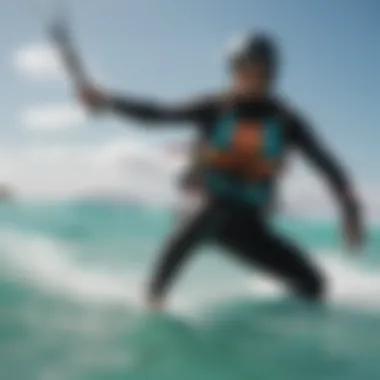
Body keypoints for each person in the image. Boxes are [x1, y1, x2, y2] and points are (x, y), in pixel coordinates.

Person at [78, 32, 363, 310]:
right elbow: (158, 114)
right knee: (215, 208)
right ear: (233, 71)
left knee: (314, 286)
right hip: (199, 209)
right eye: (244, 69)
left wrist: (350, 211)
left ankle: (265, 332)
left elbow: (328, 165)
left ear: (272, 74)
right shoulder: (213, 107)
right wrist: (109, 101)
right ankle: (153, 298)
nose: (252, 77)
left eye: (260, 70)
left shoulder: (287, 121)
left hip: (246, 225)